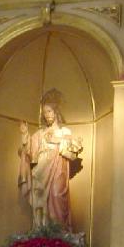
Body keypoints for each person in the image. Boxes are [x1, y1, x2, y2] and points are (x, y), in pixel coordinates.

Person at [18, 90, 82, 229]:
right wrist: (24, 134)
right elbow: (29, 150)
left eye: (49, 111)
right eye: (44, 112)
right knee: (40, 199)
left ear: (56, 112)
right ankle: (42, 229)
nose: (47, 115)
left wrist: (56, 140)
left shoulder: (64, 132)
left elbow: (73, 149)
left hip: (58, 170)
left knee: (57, 194)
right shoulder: (40, 134)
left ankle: (59, 229)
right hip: (41, 171)